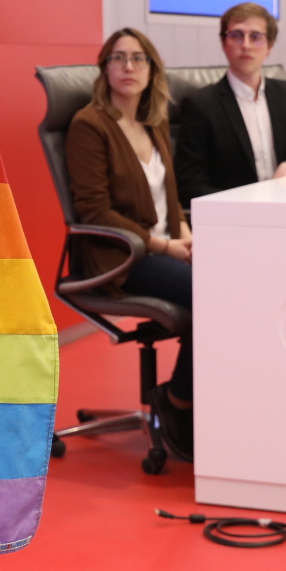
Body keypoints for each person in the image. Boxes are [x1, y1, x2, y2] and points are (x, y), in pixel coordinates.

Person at [65, 28, 195, 457]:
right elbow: (94, 212)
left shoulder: (152, 122)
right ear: (104, 68)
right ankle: (177, 401)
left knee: (236, 286)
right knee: (212, 295)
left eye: (138, 58)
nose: (128, 67)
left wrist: (184, 233)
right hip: (121, 257)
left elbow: (169, 195)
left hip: (164, 246)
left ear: (152, 70)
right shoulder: (89, 125)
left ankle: (197, 399)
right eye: (118, 58)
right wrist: (163, 247)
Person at [173, 2, 286, 204]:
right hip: (235, 214)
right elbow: (189, 183)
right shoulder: (201, 105)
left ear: (270, 46)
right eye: (236, 36)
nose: (246, 45)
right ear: (224, 43)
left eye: (256, 37)